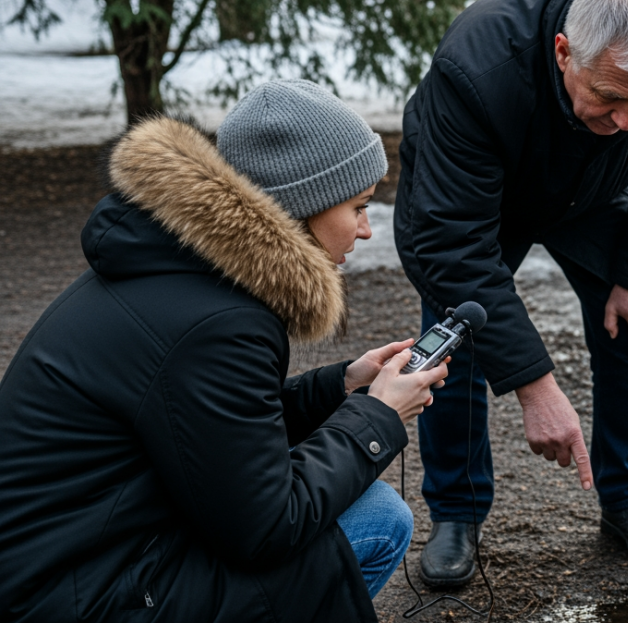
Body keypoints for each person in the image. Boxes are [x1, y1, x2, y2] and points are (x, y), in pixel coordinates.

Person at [0, 80, 448, 623]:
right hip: (79, 596)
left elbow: (212, 434)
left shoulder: (178, 264)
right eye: (357, 206)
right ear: (302, 204)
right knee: (378, 521)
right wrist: (377, 416)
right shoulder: (223, 322)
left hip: (66, 562)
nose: (366, 229)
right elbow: (265, 529)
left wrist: (342, 387)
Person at [396, 0, 628, 583]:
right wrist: (534, 385)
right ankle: (456, 513)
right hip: (479, 199)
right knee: (454, 335)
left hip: (594, 191)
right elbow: (451, 244)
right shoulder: (476, 67)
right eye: (610, 96)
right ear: (564, 52)